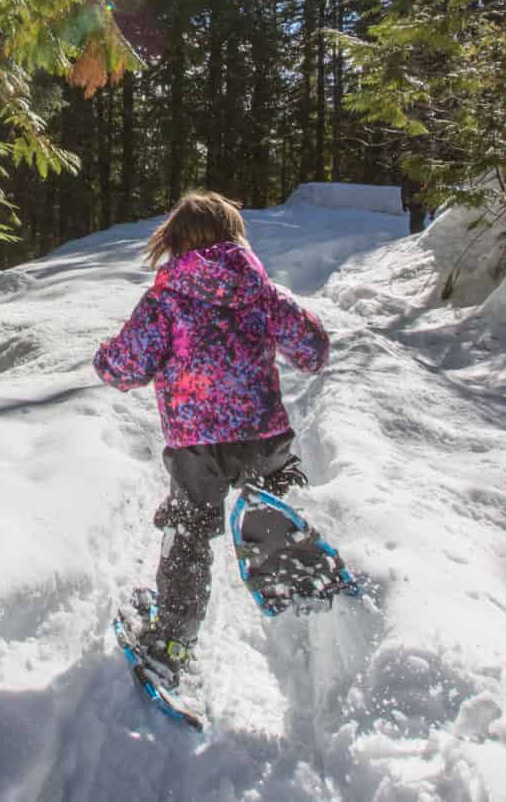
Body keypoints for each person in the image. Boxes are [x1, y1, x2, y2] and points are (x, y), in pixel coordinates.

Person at [93, 190, 331, 689]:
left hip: (196, 445)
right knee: (267, 509)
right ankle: (302, 592)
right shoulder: (261, 292)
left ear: (175, 240)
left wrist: (105, 358)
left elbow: (126, 366)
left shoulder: (166, 299)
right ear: (233, 236)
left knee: (189, 533)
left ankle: (175, 640)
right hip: (263, 435)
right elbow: (312, 350)